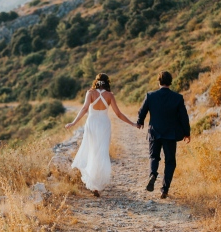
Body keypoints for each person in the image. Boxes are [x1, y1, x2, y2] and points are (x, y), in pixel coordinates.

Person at [65, 73, 138, 197]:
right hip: (104, 124)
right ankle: (98, 184)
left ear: (96, 81)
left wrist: (73, 122)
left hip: (92, 124)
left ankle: (93, 183)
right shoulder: (110, 95)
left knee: (92, 151)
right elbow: (118, 114)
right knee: (102, 153)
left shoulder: (90, 93)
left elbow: (84, 109)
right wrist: (132, 123)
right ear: (107, 82)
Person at [137, 71, 191, 199]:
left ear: (159, 81)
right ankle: (164, 189)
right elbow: (184, 117)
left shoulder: (150, 96)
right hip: (170, 135)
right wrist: (187, 133)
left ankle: (153, 174)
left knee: (154, 157)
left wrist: (140, 122)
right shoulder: (177, 98)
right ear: (170, 82)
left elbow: (142, 111)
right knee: (170, 161)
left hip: (154, 132)